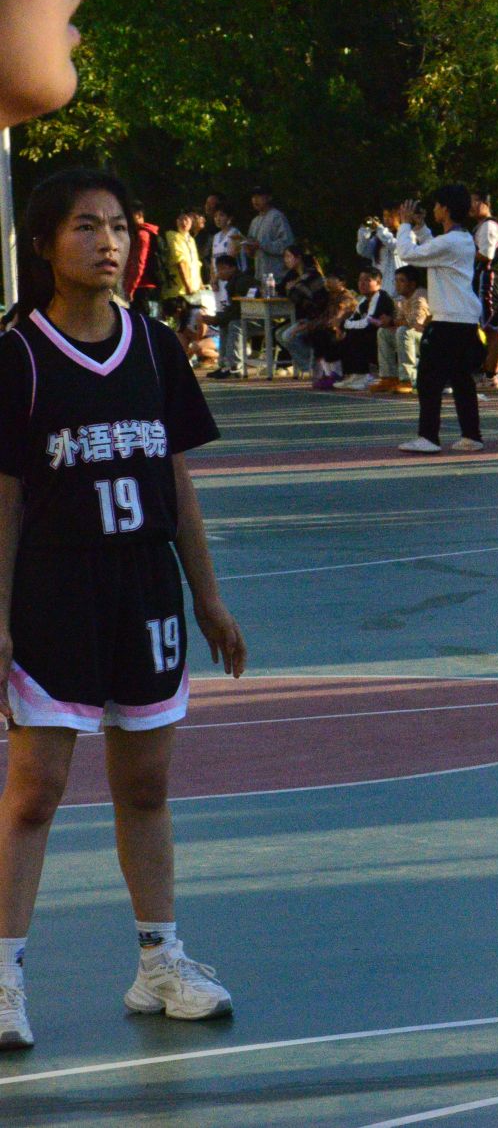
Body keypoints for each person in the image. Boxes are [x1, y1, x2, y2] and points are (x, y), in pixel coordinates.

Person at [3, 168, 247, 1050]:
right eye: (85, 226)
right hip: (55, 589)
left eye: (117, 226)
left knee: (145, 786)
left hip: (145, 589)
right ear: (43, 244)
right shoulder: (18, 355)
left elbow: (175, 480)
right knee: (35, 792)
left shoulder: (155, 346)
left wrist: (207, 595)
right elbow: (5, 500)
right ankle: (3, 976)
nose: (106, 241)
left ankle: (159, 963)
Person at [395, 184, 485, 454]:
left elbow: (408, 254)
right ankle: (471, 435)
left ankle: (429, 437)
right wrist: (421, 228)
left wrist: (404, 225)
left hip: (448, 321)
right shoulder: (461, 239)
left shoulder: (450, 242)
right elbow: (432, 247)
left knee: (428, 379)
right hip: (464, 319)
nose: (433, 209)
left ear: (445, 209)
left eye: (436, 205)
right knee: (461, 380)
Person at [276, 246, 329, 380]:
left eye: (289, 256)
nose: (286, 260)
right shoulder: (292, 274)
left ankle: (316, 367)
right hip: (301, 317)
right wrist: (290, 288)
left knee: (288, 335)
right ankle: (309, 366)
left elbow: (297, 295)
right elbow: (280, 288)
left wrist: (292, 288)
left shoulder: (312, 274)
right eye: (285, 257)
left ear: (298, 258)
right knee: (278, 333)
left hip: (315, 317)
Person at [373, 267, 428, 396]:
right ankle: (389, 378)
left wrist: (392, 322)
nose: (397, 284)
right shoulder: (403, 299)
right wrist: (388, 323)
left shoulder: (420, 296)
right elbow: (398, 320)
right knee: (383, 332)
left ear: (412, 284)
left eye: (401, 281)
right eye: (396, 280)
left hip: (428, 340)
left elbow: (416, 322)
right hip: (414, 338)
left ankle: (408, 380)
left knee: (404, 331)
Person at [335, 267, 389, 389]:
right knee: (345, 335)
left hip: (383, 337)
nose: (362, 284)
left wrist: (346, 325)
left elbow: (367, 323)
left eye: (367, 280)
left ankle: (364, 376)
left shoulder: (382, 298)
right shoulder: (363, 301)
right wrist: (342, 327)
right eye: (360, 280)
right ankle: (353, 375)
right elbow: (353, 319)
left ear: (378, 283)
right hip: (370, 335)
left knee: (356, 334)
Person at [245, 186, 293, 291]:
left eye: (259, 196)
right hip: (259, 276)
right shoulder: (254, 221)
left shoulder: (277, 217)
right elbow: (252, 250)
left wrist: (262, 245)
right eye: (253, 197)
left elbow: (287, 244)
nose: (255, 200)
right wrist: (249, 249)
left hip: (277, 277)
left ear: (269, 198)